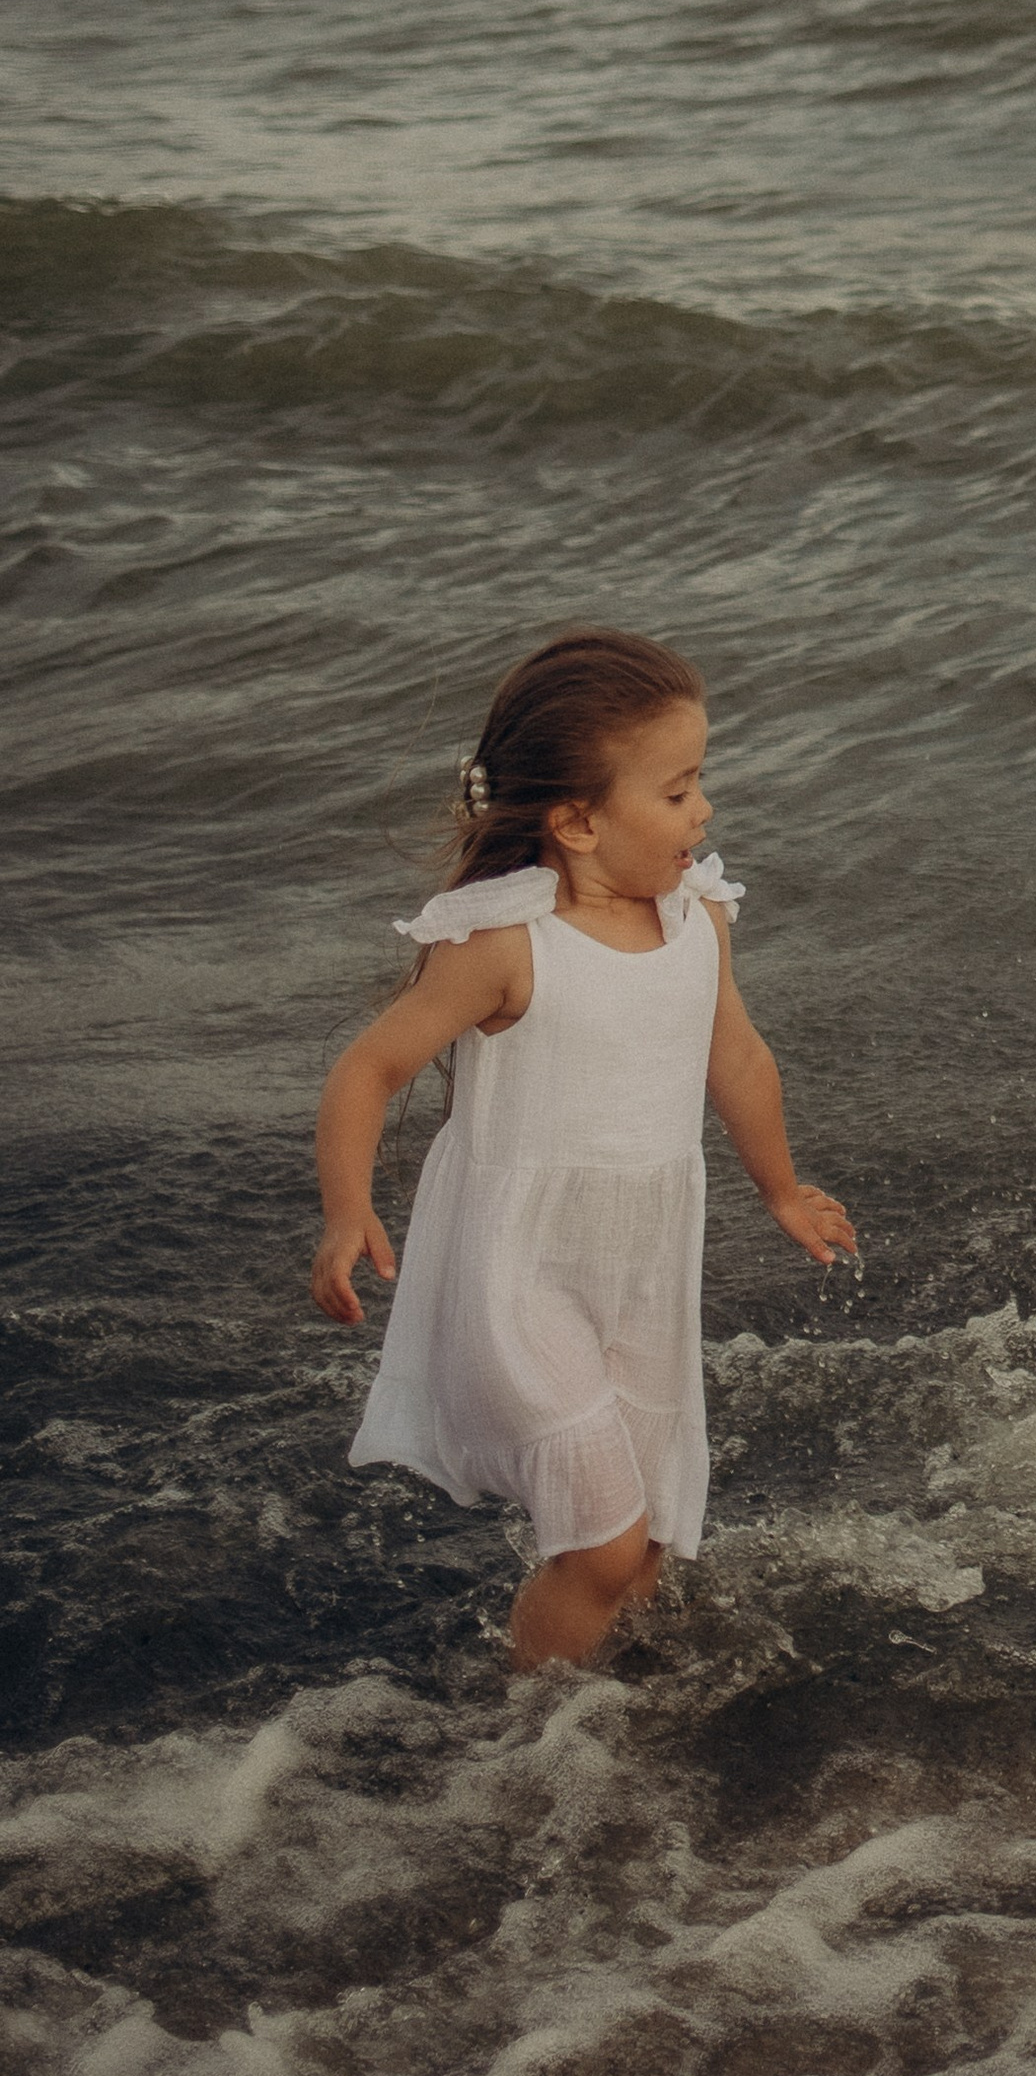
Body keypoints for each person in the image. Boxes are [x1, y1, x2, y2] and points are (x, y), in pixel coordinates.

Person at [311, 627, 856, 1666]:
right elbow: (365, 1072)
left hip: (641, 1270)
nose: (704, 811)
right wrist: (348, 1213)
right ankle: (523, 1743)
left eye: (702, 782)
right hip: (517, 1275)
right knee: (602, 1550)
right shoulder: (508, 944)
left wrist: (781, 1190)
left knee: (646, 1542)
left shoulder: (696, 917)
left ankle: (603, 1742)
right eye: (678, 790)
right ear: (576, 821)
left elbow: (736, 1058)